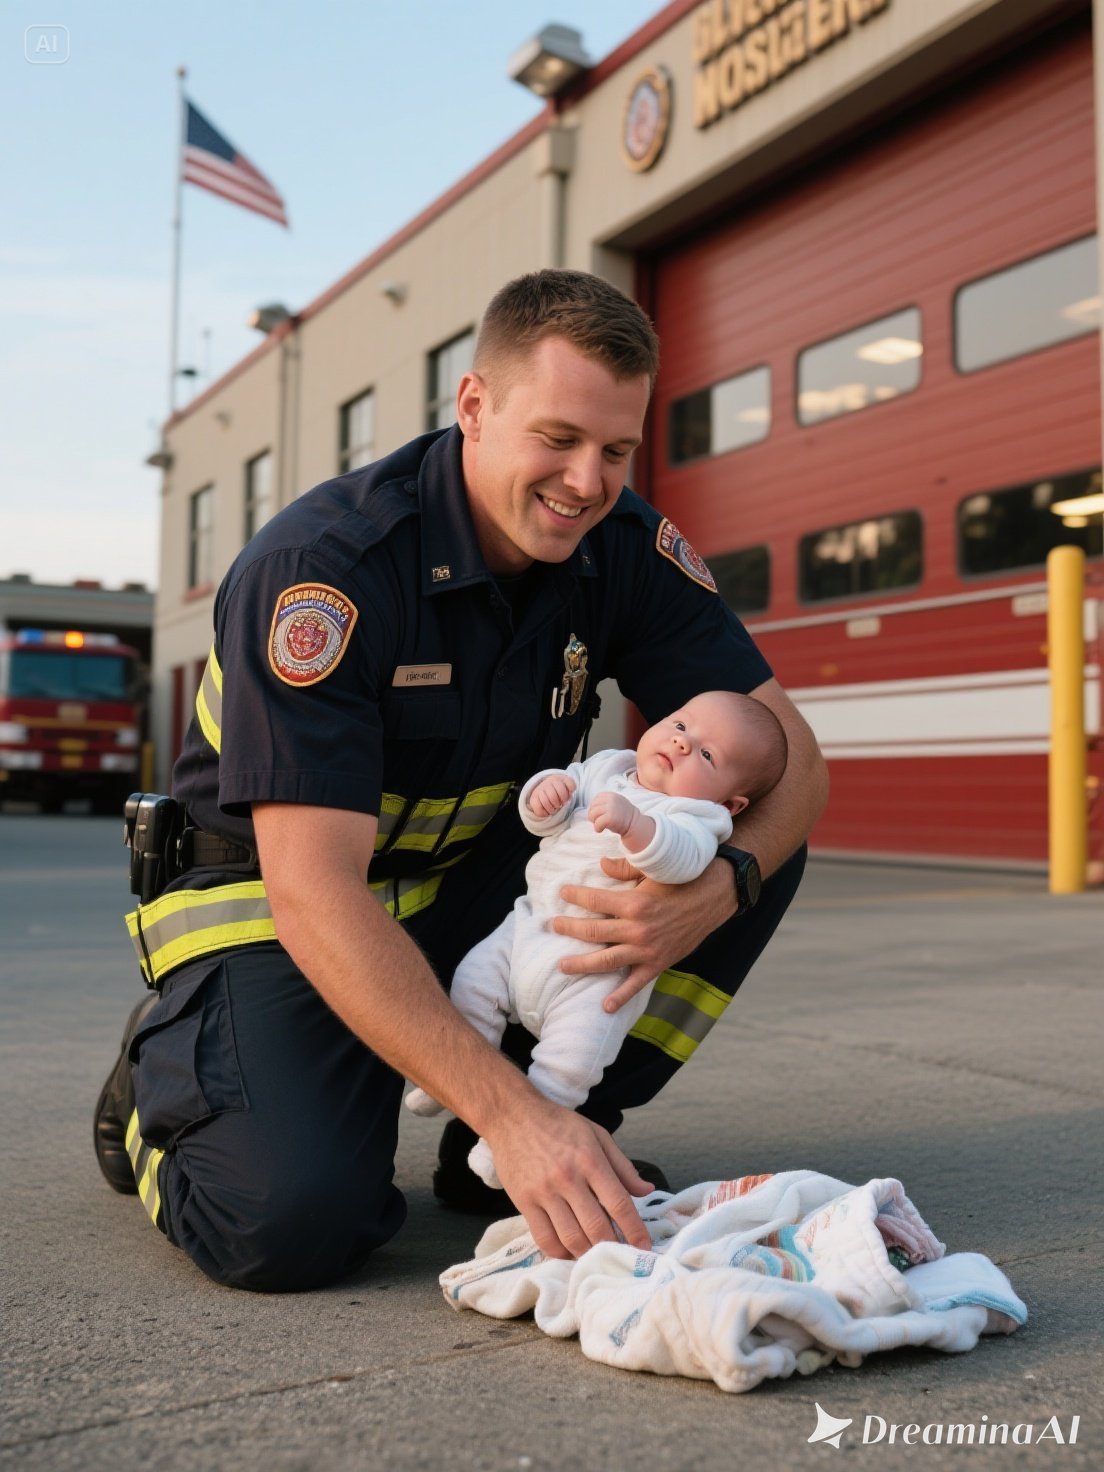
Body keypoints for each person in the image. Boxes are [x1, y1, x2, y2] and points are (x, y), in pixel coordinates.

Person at [93, 268, 828, 1292]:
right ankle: (160, 1096)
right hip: (278, 906)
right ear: (474, 406)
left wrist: (712, 888)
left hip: (466, 891)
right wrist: (511, 1114)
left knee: (740, 818)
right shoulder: (327, 570)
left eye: (616, 449)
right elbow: (315, 891)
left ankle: (538, 1140)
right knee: (288, 1219)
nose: (587, 480)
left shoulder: (619, 549)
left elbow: (794, 758)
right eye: (558, 439)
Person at [405, 690, 788, 1191]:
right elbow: (543, 821)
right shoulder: (607, 767)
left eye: (707, 755)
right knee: (473, 984)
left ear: (731, 801)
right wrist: (546, 794)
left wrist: (637, 826)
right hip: (529, 929)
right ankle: (445, 1082)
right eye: (680, 724)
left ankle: (511, 1148)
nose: (681, 744)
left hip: (598, 969)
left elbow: (685, 859)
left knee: (570, 1063)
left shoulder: (700, 817)